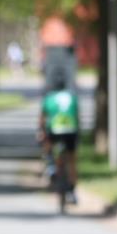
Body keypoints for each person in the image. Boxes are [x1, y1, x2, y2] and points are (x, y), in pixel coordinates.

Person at [37, 75, 79, 204]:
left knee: (46, 142)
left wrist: (40, 132)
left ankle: (50, 165)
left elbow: (42, 119)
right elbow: (77, 115)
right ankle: (72, 191)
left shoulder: (49, 98)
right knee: (72, 160)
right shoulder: (72, 97)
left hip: (55, 130)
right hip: (71, 130)